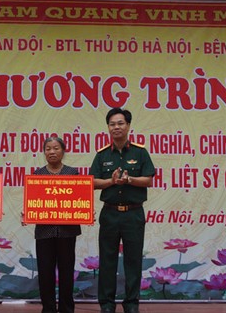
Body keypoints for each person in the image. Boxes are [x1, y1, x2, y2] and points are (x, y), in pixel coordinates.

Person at [89, 107, 155, 313]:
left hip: (133, 214)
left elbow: (149, 180)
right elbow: (92, 182)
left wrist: (130, 179)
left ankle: (131, 304)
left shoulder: (140, 152)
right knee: (107, 260)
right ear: (107, 128)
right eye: (112, 124)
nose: (116, 127)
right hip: (109, 213)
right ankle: (107, 305)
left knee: (133, 261)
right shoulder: (101, 155)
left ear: (128, 126)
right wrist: (112, 181)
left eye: (120, 123)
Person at [32, 137, 81, 313]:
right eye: (48, 149)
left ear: (63, 151)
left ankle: (67, 308)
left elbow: (78, 200)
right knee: (45, 273)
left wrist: (84, 210)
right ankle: (49, 308)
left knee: (67, 272)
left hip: (67, 231)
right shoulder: (37, 175)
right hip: (44, 231)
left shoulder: (72, 173)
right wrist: (28, 212)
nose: (52, 152)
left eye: (56, 148)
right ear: (44, 152)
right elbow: (34, 201)